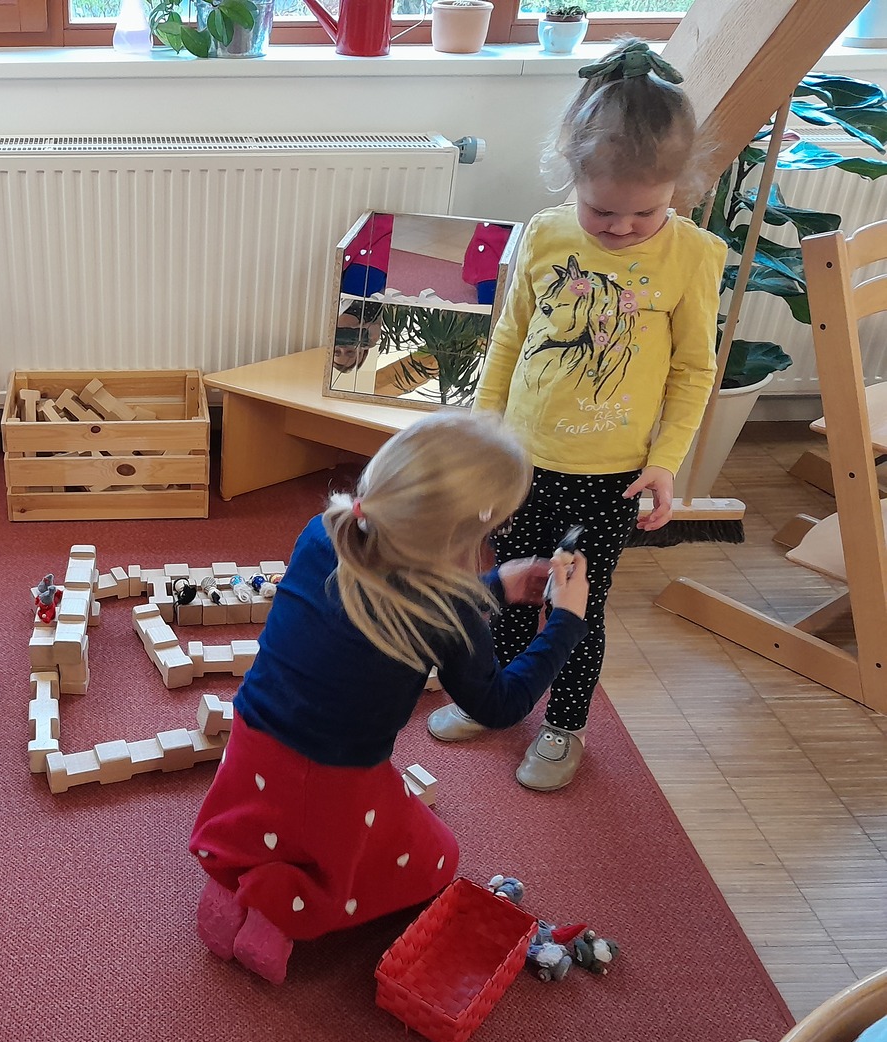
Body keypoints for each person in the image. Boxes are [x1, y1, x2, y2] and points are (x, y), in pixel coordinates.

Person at [189, 411, 590, 985]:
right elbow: (500, 704)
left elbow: (389, 599)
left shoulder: (325, 530)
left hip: (250, 748)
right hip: (335, 782)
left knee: (270, 820)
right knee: (438, 858)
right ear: (464, 535)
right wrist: (566, 625)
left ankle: (231, 885)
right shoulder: (449, 611)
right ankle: (275, 914)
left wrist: (495, 587)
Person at [428, 39, 727, 793]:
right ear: (571, 176)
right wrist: (485, 434)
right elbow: (508, 339)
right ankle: (493, 695)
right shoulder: (545, 232)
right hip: (522, 462)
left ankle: (564, 724)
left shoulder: (693, 257)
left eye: (645, 211)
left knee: (575, 606)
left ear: (680, 187)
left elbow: (693, 369)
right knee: (509, 586)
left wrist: (665, 461)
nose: (621, 227)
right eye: (601, 209)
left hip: (609, 479)